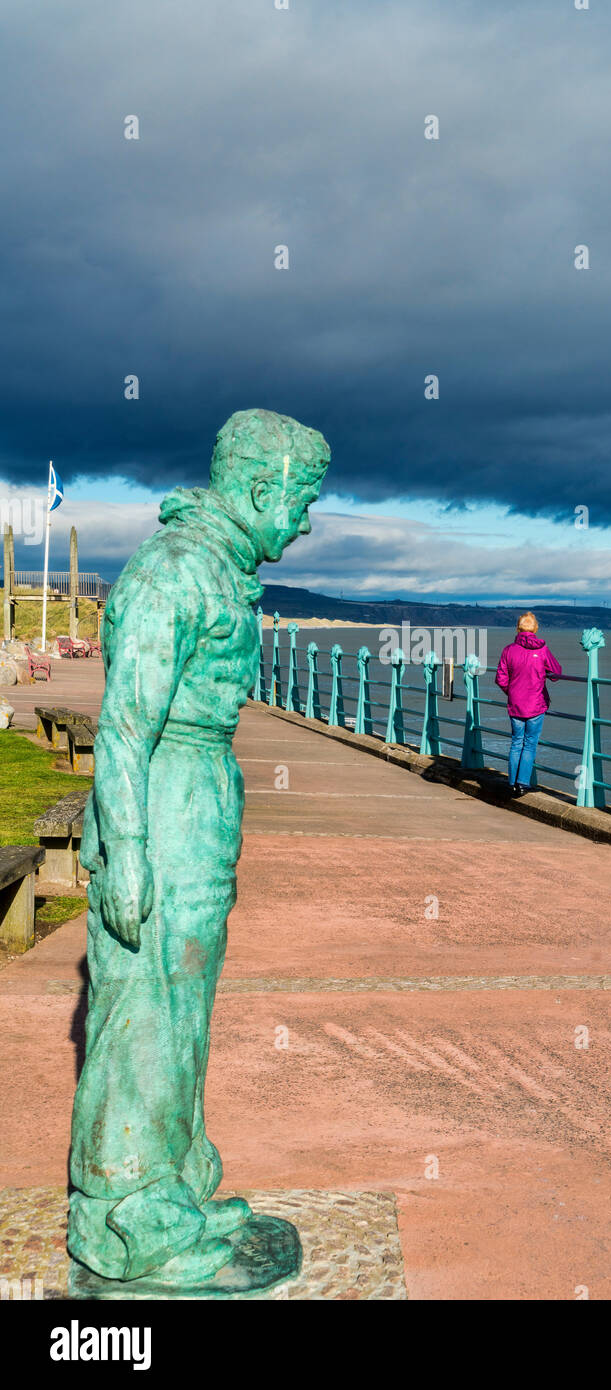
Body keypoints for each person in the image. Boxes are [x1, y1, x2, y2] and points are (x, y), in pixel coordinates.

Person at [67, 408, 330, 1290]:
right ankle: (128, 1216)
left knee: (181, 1001)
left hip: (196, 793)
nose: (303, 523)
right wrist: (129, 849)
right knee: (143, 1004)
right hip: (163, 796)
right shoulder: (175, 571)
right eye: (299, 503)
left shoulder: (216, 566)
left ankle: (170, 1180)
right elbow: (126, 722)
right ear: (261, 490)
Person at [495, 612, 562, 796]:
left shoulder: (509, 650)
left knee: (516, 743)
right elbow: (556, 672)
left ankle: (512, 782)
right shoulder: (542, 649)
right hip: (536, 704)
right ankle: (523, 783)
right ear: (535, 629)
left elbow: (500, 678)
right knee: (530, 744)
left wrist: (513, 692)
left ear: (518, 628)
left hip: (516, 705)